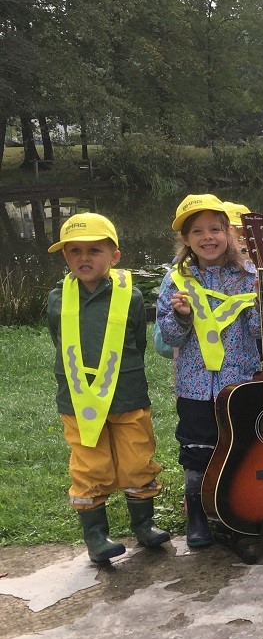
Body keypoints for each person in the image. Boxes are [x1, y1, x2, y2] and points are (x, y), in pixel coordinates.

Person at [47, 213, 170, 563]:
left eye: (94, 250)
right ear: (66, 257)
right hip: (78, 401)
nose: (84, 258)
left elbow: (137, 342)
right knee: (90, 467)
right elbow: (59, 339)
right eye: (75, 252)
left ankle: (144, 525)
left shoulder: (130, 296)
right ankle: (97, 537)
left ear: (114, 256)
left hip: (127, 395)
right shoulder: (57, 298)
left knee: (137, 460)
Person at [157, 193, 263, 548]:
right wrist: (180, 315)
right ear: (186, 239)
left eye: (215, 229)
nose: (207, 237)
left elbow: (259, 331)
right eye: (197, 231)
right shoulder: (176, 280)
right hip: (194, 385)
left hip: (238, 382)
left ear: (229, 233)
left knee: (241, 446)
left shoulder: (250, 275)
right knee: (198, 449)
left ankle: (239, 508)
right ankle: (198, 513)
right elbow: (169, 336)